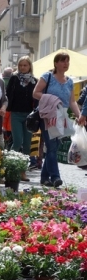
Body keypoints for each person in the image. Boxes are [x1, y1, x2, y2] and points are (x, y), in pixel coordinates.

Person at [37, 51, 82, 187]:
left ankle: (44, 177)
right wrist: (52, 99)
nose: (65, 64)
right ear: (56, 63)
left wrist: (79, 115)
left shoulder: (69, 81)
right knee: (51, 145)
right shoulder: (47, 76)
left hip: (61, 116)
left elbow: (72, 101)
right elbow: (36, 93)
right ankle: (55, 177)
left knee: (54, 147)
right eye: (63, 61)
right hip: (48, 115)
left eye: (67, 61)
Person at [6, 56, 38, 176]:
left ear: (30, 66)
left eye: (25, 65)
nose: (22, 67)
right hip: (16, 114)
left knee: (27, 145)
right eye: (20, 65)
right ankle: (10, 168)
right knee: (17, 141)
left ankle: (22, 171)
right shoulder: (14, 78)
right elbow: (8, 94)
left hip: (29, 116)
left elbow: (37, 98)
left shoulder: (34, 81)